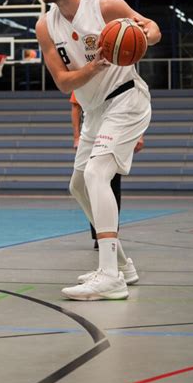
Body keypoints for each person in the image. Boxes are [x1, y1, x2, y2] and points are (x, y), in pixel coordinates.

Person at [36, 0, 161, 301]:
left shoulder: (106, 6)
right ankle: (124, 265)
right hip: (94, 112)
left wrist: (141, 35)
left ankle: (109, 276)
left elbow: (152, 29)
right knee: (78, 185)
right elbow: (63, 83)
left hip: (126, 100)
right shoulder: (45, 26)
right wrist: (96, 65)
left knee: (96, 175)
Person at [70, 91, 144, 260]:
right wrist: (77, 136)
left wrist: (139, 134)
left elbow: (135, 102)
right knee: (78, 187)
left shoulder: (121, 75)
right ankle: (106, 240)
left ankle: (110, 251)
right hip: (91, 130)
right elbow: (75, 106)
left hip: (113, 131)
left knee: (105, 183)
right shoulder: (82, 74)